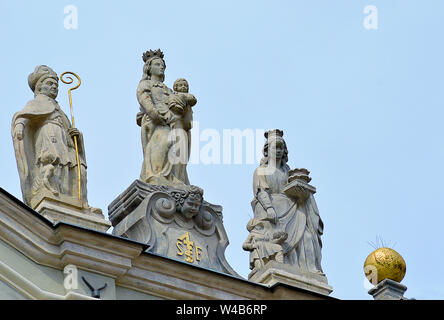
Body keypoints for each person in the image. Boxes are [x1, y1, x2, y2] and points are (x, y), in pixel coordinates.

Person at [11, 65, 98, 213]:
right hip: (49, 135)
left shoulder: (58, 108)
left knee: (78, 167)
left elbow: (67, 127)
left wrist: (75, 135)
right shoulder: (37, 103)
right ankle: (52, 192)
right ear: (39, 88)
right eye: (49, 84)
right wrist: (19, 126)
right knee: (53, 163)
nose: (54, 87)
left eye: (56, 85)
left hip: (65, 140)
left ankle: (79, 200)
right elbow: (23, 116)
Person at [250, 129, 325, 274]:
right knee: (278, 240)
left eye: (281, 148)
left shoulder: (287, 171)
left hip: (291, 208)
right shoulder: (261, 171)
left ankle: (309, 269)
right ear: (267, 150)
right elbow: (261, 192)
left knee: (308, 236)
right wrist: (269, 208)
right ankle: (280, 262)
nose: (278, 151)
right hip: (272, 211)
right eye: (275, 147)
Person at [137, 50, 195, 188]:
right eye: (157, 64)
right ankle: (158, 175)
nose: (161, 67)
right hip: (157, 122)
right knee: (162, 143)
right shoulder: (146, 84)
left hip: (174, 122)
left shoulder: (168, 89)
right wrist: (154, 113)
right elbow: (144, 99)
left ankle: (176, 177)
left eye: (162, 65)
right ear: (149, 68)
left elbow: (175, 102)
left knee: (180, 142)